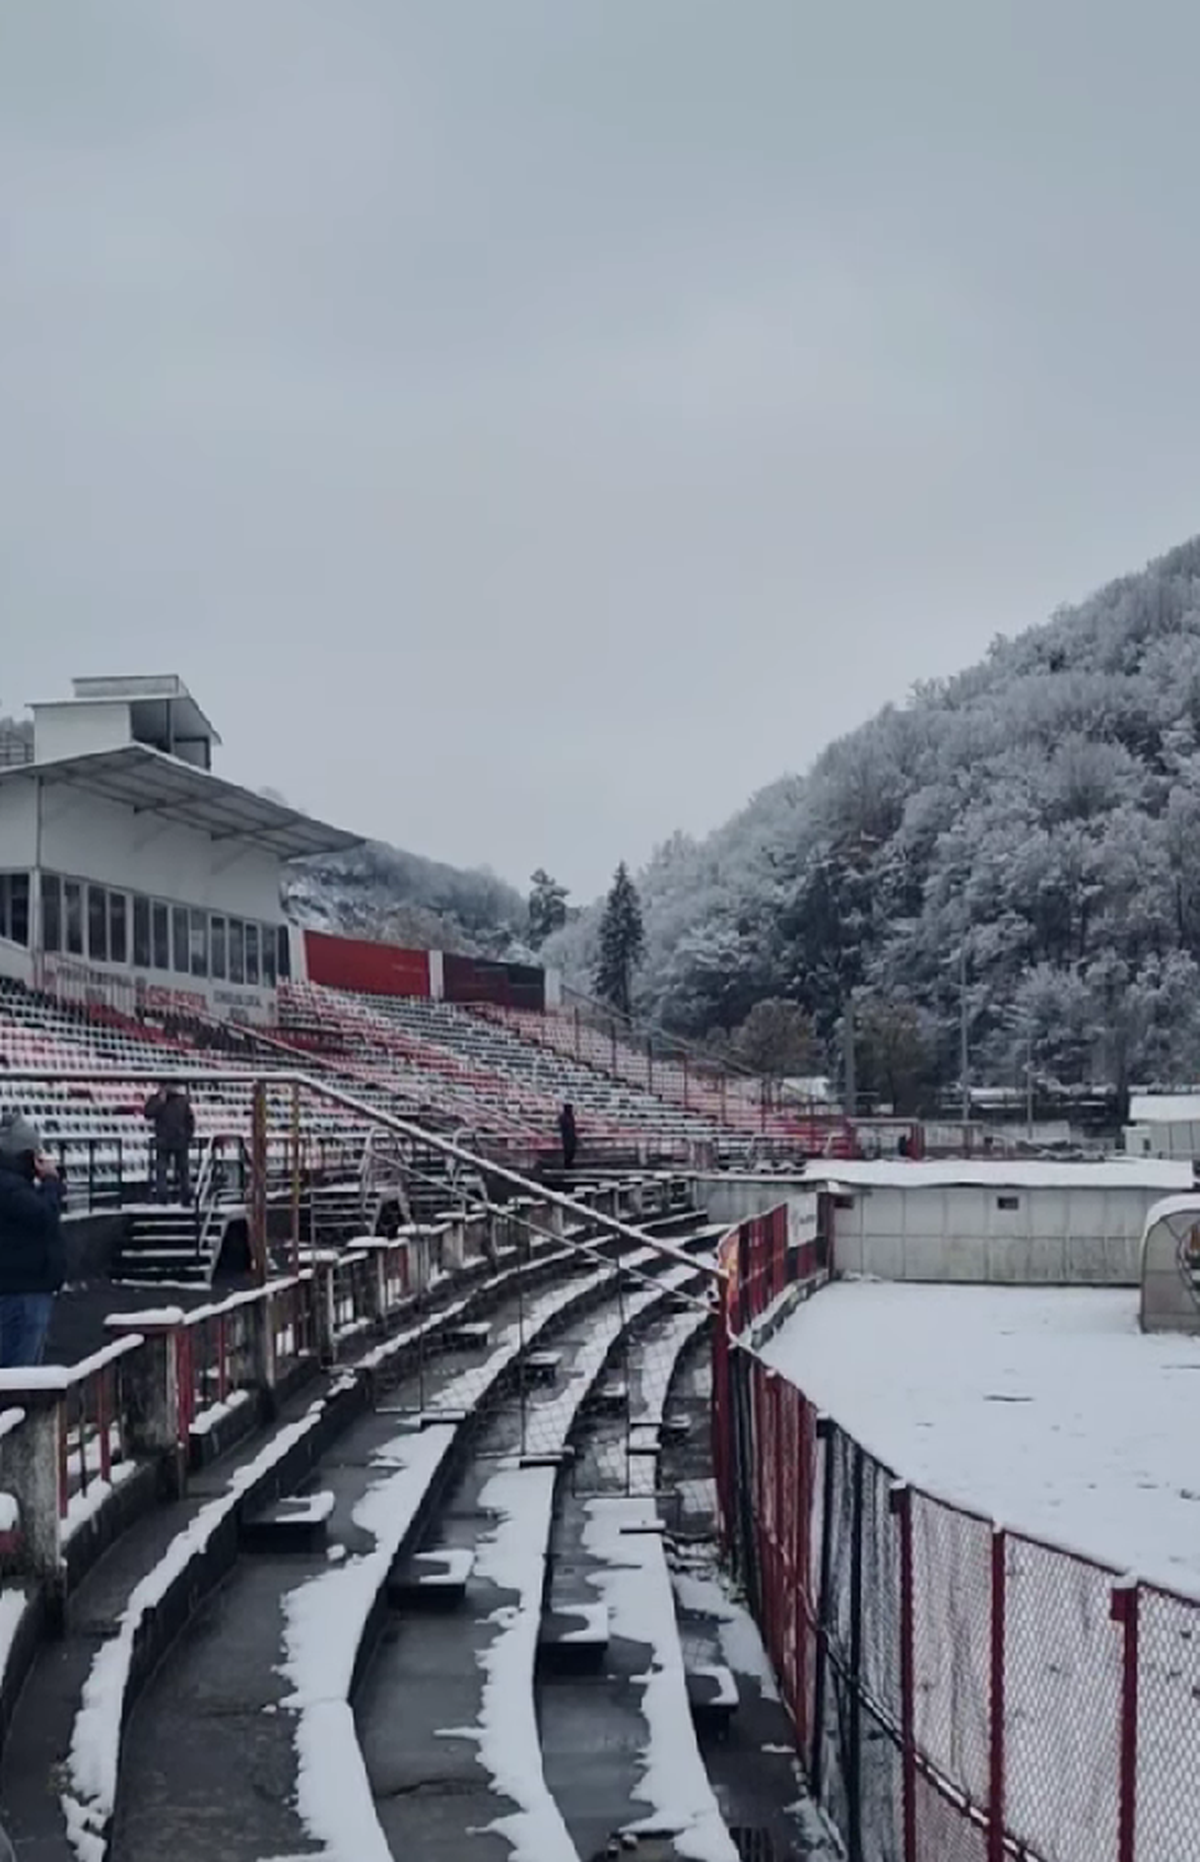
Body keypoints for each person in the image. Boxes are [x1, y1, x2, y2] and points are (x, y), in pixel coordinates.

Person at [0, 1113, 65, 1368]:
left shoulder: (16, 1185)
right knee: (19, 1374)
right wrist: (50, 1181)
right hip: (21, 1291)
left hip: (25, 1288)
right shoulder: (9, 1186)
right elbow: (44, 1216)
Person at [144, 1081, 195, 1203]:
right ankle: (162, 1196)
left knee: (183, 1170)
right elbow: (148, 1113)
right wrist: (160, 1102)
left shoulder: (182, 1101)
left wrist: (187, 1135)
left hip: (179, 1141)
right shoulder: (156, 1099)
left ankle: (185, 1196)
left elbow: (190, 1120)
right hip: (163, 1141)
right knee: (161, 1170)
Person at [558, 1101, 578, 1172]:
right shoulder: (563, 1117)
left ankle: (570, 1163)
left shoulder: (571, 1117)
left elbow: (573, 1127)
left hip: (571, 1136)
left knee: (572, 1150)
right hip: (566, 1136)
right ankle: (567, 1164)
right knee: (567, 1151)